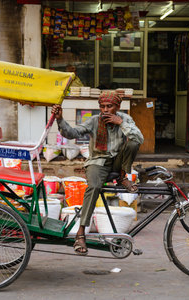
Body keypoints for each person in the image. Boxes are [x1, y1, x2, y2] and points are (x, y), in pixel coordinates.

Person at [51, 91, 143, 255]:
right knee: (93, 188)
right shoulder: (94, 121)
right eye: (102, 106)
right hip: (98, 162)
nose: (105, 110)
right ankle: (81, 233)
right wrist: (60, 119)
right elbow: (72, 133)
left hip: (117, 163)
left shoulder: (125, 119)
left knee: (133, 143)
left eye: (110, 106)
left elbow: (139, 138)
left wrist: (121, 122)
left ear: (118, 107)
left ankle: (123, 177)